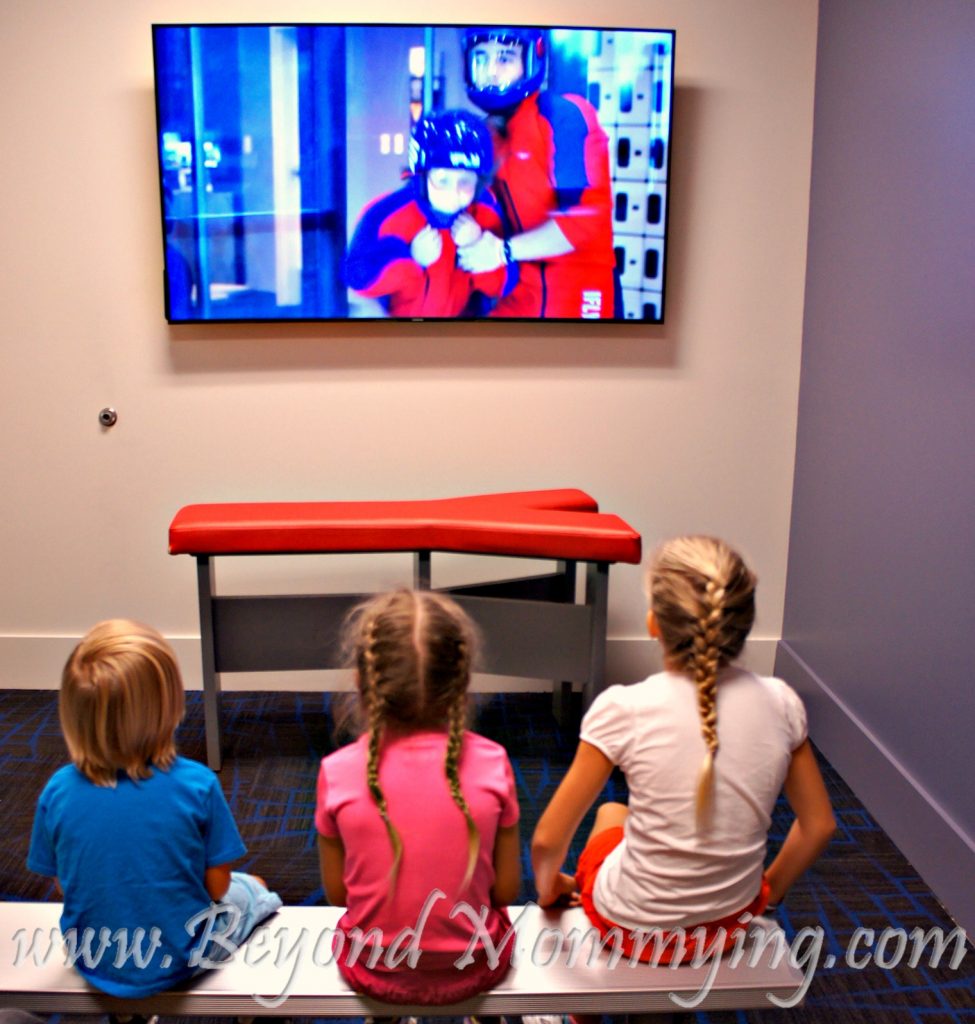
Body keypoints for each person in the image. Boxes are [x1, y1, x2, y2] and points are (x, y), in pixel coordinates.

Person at [532, 536, 836, 964]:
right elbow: (819, 824)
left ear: (654, 623)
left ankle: (586, 1012)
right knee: (622, 817)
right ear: (744, 624)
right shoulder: (782, 702)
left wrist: (551, 892)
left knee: (610, 814)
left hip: (629, 926)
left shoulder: (623, 708)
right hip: (729, 926)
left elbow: (547, 840)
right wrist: (766, 892)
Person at [27, 620, 281, 998]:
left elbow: (64, 883)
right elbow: (217, 886)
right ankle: (255, 1005)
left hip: (92, 954)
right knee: (251, 890)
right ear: (169, 707)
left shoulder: (58, 790)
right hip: (181, 956)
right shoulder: (197, 784)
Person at [315, 589, 521, 1004]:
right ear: (462, 683)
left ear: (361, 681)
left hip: (371, 967)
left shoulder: (335, 772)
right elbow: (506, 892)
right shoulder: (493, 762)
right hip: (476, 965)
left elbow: (339, 895)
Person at [456, 27, 618, 319]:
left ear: (531, 60)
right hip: (515, 297)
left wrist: (502, 252)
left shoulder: (563, 115)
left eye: (505, 58)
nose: (491, 71)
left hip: (579, 297)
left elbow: (582, 221)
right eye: (481, 58)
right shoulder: (480, 136)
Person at [345, 109, 518, 317]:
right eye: (443, 180)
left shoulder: (485, 213)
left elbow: (504, 286)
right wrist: (411, 257)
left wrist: (479, 245)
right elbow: (358, 277)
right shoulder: (386, 213)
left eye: (465, 181)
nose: (454, 193)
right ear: (423, 176)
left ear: (479, 181)